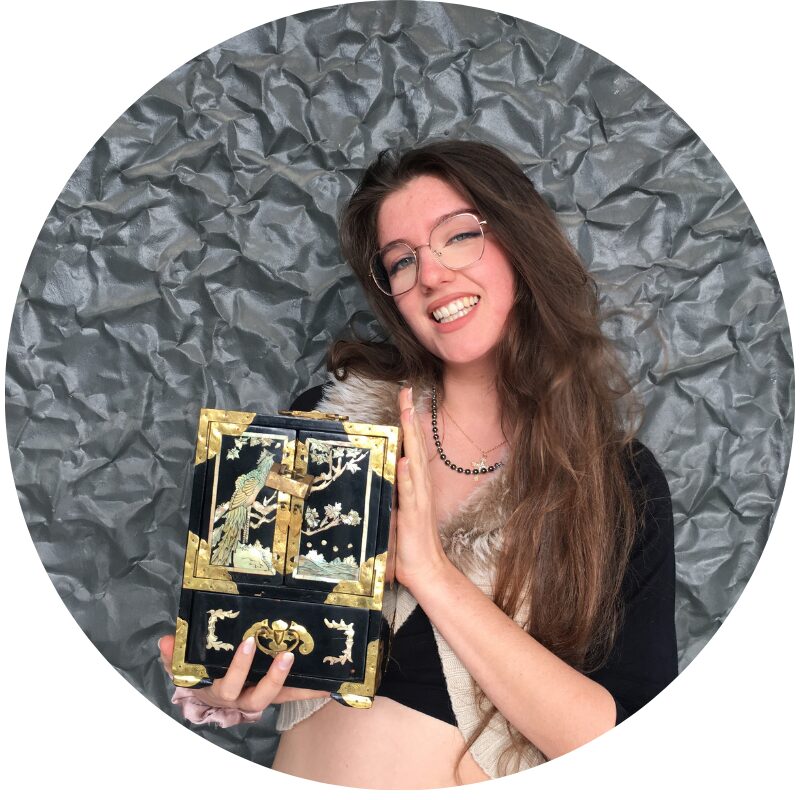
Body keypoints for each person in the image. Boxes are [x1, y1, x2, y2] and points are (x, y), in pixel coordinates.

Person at [159, 140, 678, 788]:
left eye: (457, 237)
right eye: (401, 261)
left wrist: (430, 573)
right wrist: (228, 684)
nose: (430, 275)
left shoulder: (617, 485)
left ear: (519, 242)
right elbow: (265, 639)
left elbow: (625, 739)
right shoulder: (332, 425)